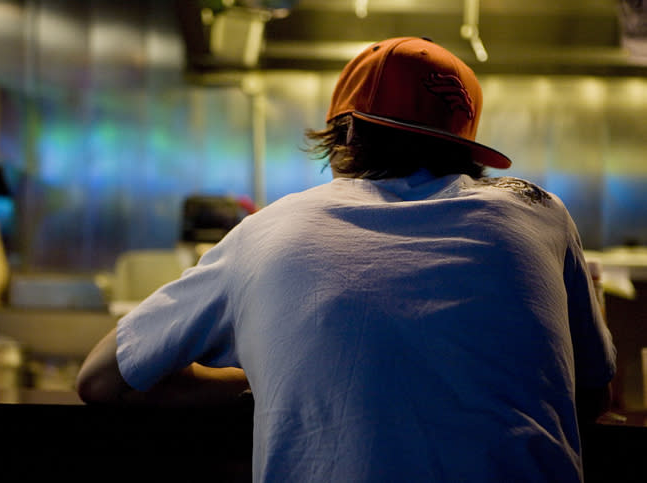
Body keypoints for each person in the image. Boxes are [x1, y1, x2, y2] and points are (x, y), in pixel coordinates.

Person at [76, 37, 616, 482]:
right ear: (464, 145)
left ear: (348, 131)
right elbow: (592, 392)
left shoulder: (268, 229)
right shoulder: (539, 212)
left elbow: (102, 380)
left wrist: (262, 379)